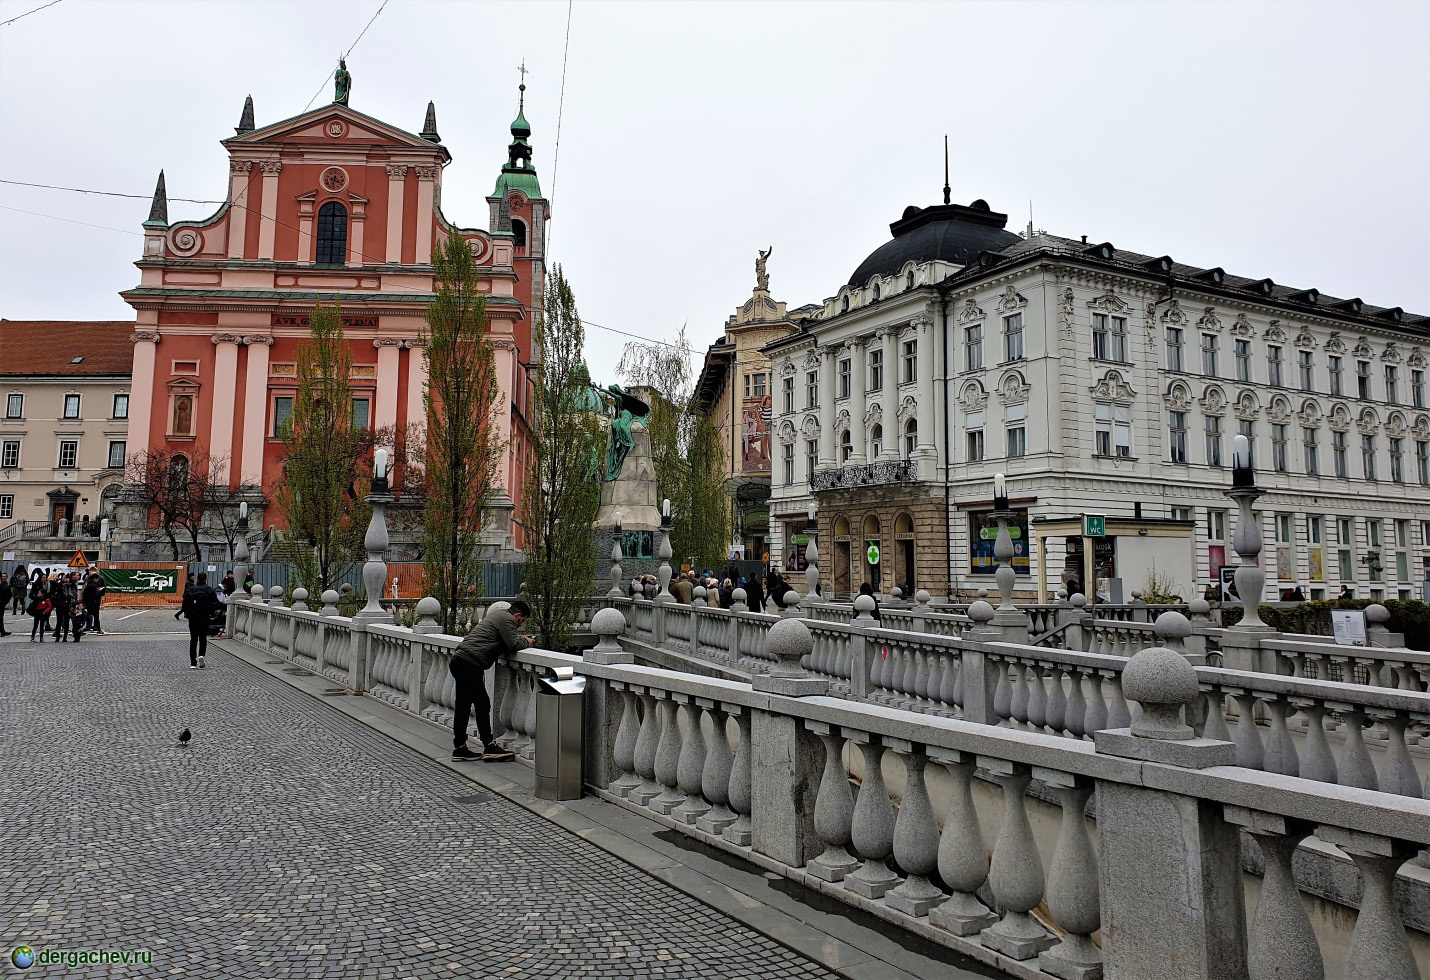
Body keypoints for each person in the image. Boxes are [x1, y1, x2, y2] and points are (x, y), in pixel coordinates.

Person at [449, 600, 532, 762]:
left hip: (461, 660)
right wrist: (526, 642)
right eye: (522, 621)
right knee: (482, 704)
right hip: (470, 663)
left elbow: (502, 640)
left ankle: (459, 748)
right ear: (517, 616)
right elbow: (513, 644)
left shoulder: (497, 615)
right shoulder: (507, 619)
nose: (520, 626)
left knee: (463, 706)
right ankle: (489, 746)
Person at [177, 572, 218, 668]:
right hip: (204, 617)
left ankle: (193, 662)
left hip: (193, 617)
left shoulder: (190, 590)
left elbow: (185, 604)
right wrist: (211, 613)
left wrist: (188, 614)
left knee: (193, 639)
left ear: (197, 579)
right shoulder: (209, 590)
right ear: (205, 580)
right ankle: (201, 655)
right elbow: (215, 603)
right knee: (203, 638)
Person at [28, 577, 52, 642]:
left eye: (39, 593)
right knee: (35, 625)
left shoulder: (46, 600)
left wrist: (45, 611)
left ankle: (41, 637)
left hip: (43, 613)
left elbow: (49, 606)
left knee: (42, 626)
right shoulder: (36, 599)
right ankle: (32, 636)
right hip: (37, 613)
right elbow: (33, 606)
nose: (38, 594)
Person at [0, 571, 11, 637]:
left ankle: (2, 631)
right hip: (1, 603)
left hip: (2, 603)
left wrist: (5, 602)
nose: (3, 577)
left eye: (4, 576)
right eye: (2, 576)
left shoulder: (7, 584)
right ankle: (2, 631)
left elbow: (9, 594)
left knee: (1, 618)